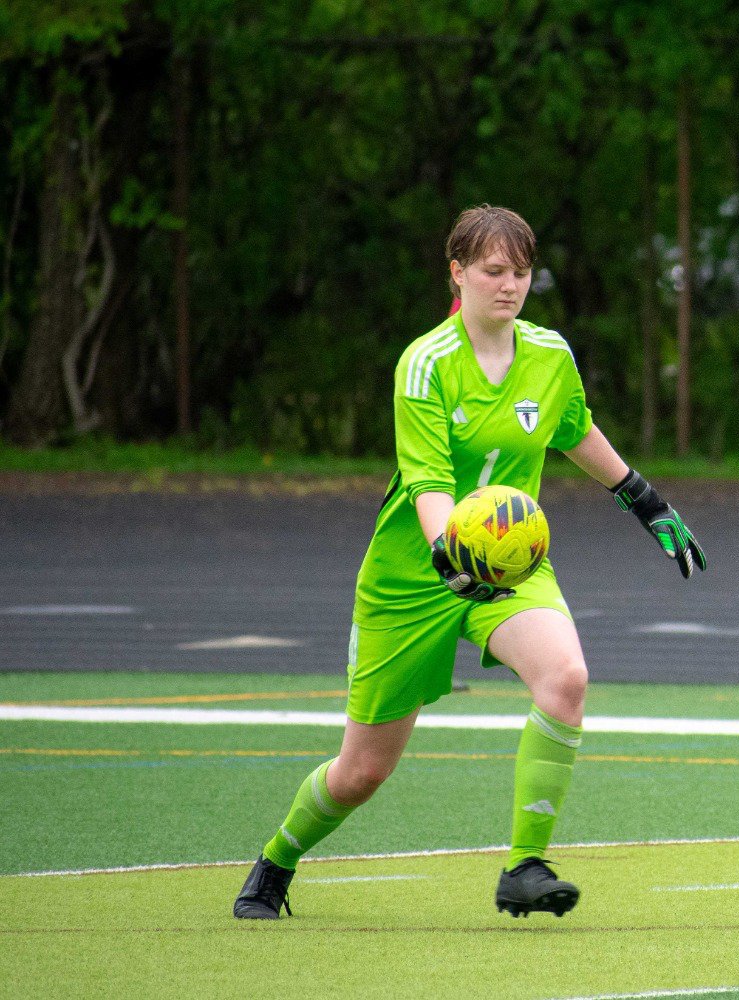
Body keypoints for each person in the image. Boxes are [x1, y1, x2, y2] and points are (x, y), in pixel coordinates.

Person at [232, 204, 705, 921]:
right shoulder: (425, 363)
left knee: (566, 678)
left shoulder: (549, 355)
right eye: (493, 271)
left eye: (521, 272)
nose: (509, 285)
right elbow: (426, 483)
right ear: (457, 273)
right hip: (411, 580)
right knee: (362, 773)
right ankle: (276, 861)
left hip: (511, 566)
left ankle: (524, 865)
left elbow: (573, 430)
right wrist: (448, 556)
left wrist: (644, 500)